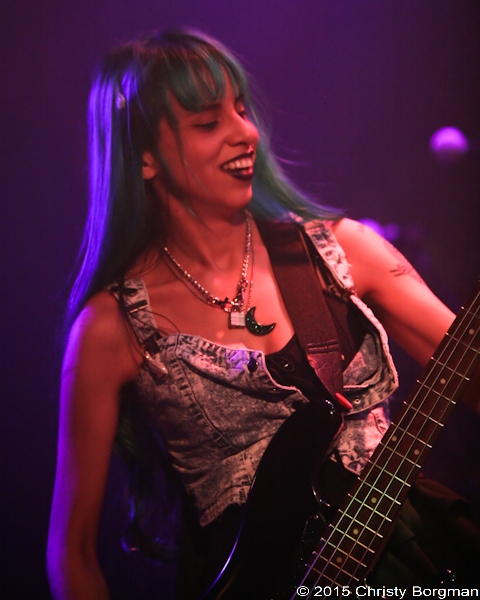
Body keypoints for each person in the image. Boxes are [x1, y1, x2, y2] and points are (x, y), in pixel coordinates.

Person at [47, 29, 479, 599]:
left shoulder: (342, 252)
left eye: (242, 110)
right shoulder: (112, 327)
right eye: (209, 123)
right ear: (143, 156)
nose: (246, 132)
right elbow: (74, 552)